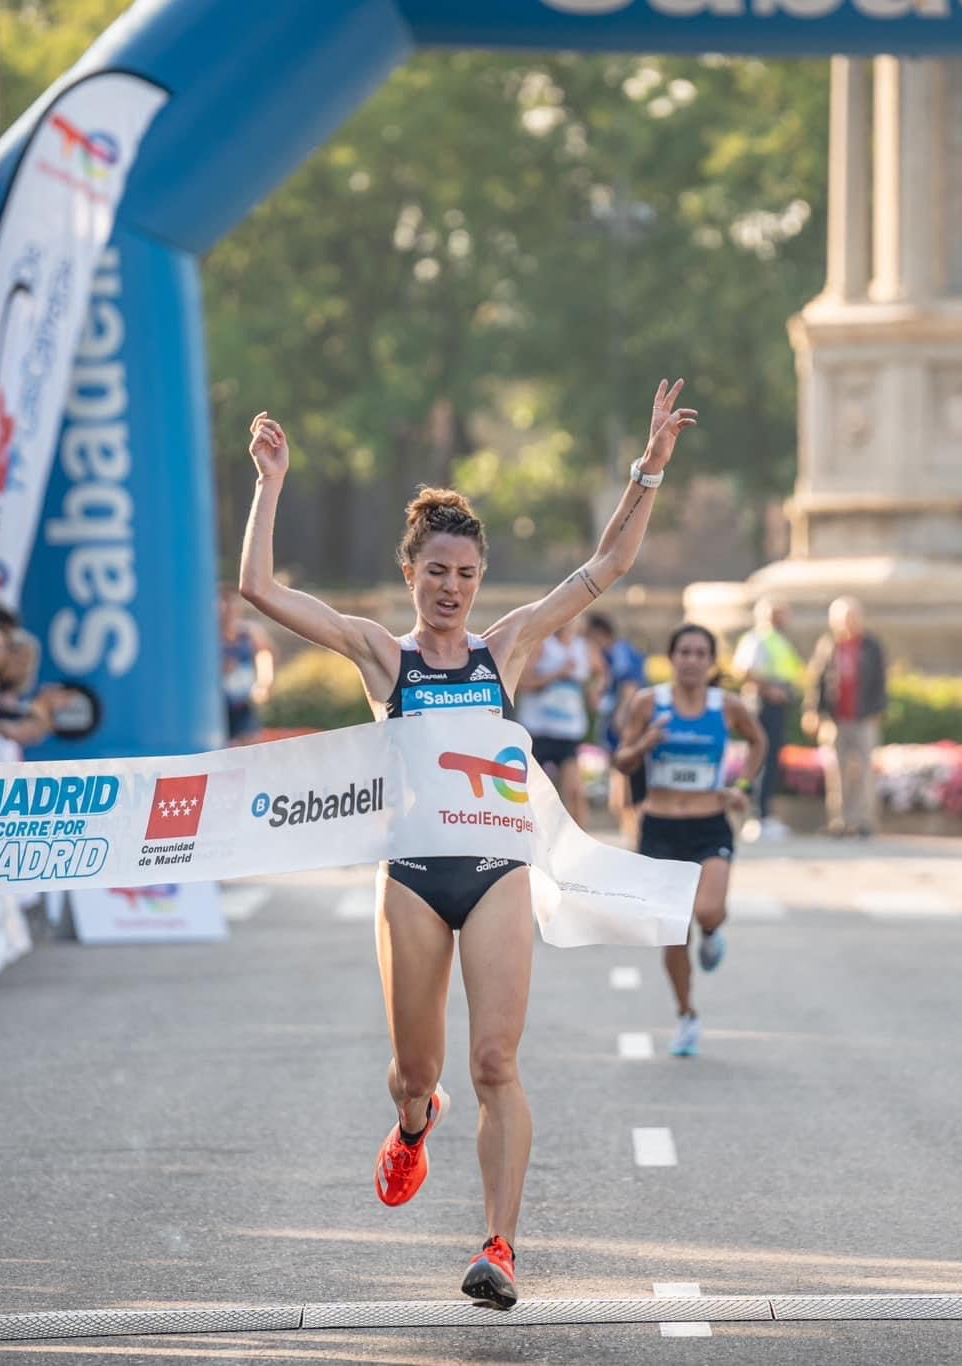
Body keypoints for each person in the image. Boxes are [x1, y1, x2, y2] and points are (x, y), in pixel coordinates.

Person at [237, 381, 694, 1308]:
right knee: (419, 1073)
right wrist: (271, 482)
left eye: (467, 575)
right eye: (438, 573)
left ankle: (502, 1247)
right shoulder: (381, 656)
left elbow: (607, 565)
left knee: (496, 1061)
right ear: (412, 574)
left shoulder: (507, 650)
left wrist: (649, 466)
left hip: (495, 876)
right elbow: (258, 589)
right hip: (409, 878)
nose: (453, 590)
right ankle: (413, 1124)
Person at [613, 624, 766, 1057]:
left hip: (709, 823)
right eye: (684, 652)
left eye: (701, 653)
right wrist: (646, 742)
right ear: (671, 657)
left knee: (708, 908)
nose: (692, 660)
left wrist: (744, 786)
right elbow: (621, 760)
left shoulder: (727, 706)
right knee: (673, 933)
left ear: (712, 662)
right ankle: (686, 1015)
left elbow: (758, 742)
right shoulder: (649, 703)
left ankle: (713, 932)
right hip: (660, 828)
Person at [803, 597, 887, 838]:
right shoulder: (829, 645)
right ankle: (839, 820)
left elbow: (880, 681)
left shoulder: (871, 645)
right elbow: (817, 680)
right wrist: (813, 711)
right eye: (843, 618)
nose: (848, 623)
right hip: (836, 717)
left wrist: (878, 711)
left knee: (864, 771)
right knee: (836, 771)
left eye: (852, 617)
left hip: (864, 716)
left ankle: (863, 820)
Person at [730, 597, 805, 842]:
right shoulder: (757, 639)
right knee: (762, 758)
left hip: (778, 706)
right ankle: (757, 816)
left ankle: (765, 814)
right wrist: (770, 690)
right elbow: (744, 671)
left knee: (772, 760)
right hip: (763, 705)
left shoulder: (779, 640)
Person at [516, 620, 592, 828]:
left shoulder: (582, 646)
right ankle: (531, 839)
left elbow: (601, 672)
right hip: (539, 731)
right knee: (533, 794)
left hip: (569, 731)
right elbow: (521, 683)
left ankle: (580, 845)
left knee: (575, 792)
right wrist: (556, 674)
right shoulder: (542, 645)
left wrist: (597, 691)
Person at [585, 615, 648, 840]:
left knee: (627, 780)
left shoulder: (621, 652)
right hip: (614, 722)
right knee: (619, 780)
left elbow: (630, 685)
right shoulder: (607, 655)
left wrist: (622, 716)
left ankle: (636, 833)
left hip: (626, 725)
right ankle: (630, 832)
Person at [219, 585, 275, 743]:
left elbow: (265, 654)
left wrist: (264, 683)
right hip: (219, 704)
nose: (227, 610)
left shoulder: (249, 632)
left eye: (231, 605)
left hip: (243, 703)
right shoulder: (208, 635)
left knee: (249, 742)